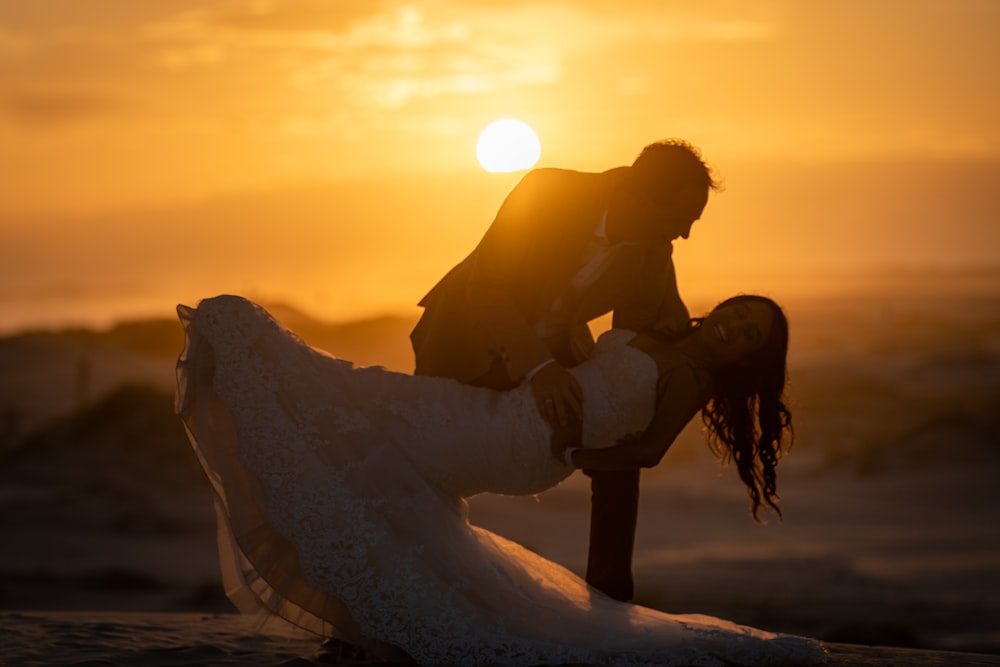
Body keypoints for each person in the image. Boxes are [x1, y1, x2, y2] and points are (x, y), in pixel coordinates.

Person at [175, 293, 826, 666]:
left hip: (524, 438)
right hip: (509, 413)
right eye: (741, 309)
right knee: (372, 426)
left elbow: (649, 451)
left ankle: (239, 344)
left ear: (747, 355)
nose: (736, 323)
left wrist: (575, 446)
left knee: (363, 410)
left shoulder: (692, 377)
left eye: (750, 331)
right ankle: (373, 625)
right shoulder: (661, 323)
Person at [411, 138, 718, 602]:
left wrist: (728, 345)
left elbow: (662, 334)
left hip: (558, 350)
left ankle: (611, 597)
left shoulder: (652, 253)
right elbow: (487, 288)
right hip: (463, 338)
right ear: (638, 195)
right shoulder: (547, 193)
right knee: (425, 468)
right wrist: (541, 369)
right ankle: (399, 591)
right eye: (680, 220)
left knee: (619, 434)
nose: (685, 235)